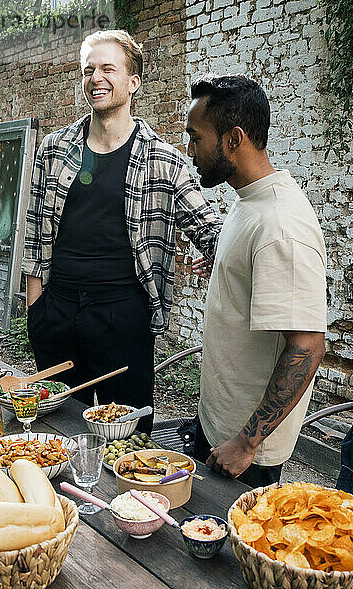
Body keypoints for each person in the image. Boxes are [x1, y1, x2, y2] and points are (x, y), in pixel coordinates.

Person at [22, 30, 221, 434]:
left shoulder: (164, 161)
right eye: (89, 70)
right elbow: (34, 231)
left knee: (126, 444)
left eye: (108, 68)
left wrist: (223, 252)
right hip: (57, 312)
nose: (96, 77)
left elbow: (213, 232)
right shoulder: (54, 149)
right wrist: (35, 308)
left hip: (123, 319)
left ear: (134, 82)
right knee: (56, 435)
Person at [187, 75, 327, 488]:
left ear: (233, 139)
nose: (189, 149)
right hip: (217, 426)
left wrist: (247, 444)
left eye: (196, 137)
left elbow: (307, 346)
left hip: (245, 453)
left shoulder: (281, 225)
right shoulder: (251, 198)